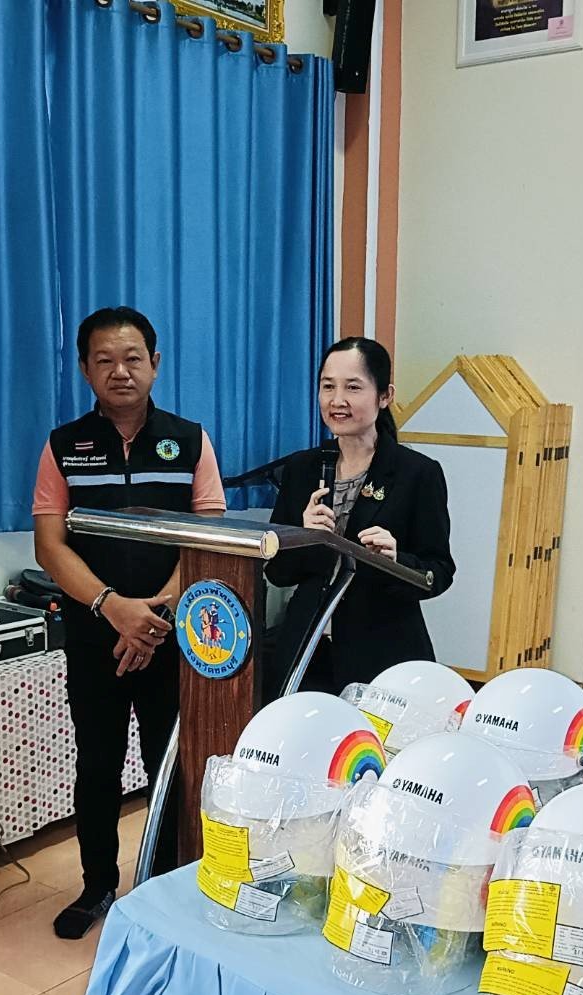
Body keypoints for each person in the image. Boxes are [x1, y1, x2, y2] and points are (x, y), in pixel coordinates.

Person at [33, 305, 226, 939]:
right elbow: (50, 546)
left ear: (155, 363)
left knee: (170, 764)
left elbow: (209, 539)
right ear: (85, 369)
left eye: (133, 358)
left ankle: (165, 884)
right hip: (96, 637)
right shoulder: (64, 444)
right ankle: (97, 887)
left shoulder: (190, 440)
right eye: (105, 360)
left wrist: (156, 616)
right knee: (97, 764)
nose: (120, 371)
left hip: (173, 637)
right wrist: (115, 608)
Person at [266, 337, 455, 695]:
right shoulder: (302, 468)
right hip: (305, 650)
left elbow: (440, 571)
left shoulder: (417, 473)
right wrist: (302, 536)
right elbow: (277, 572)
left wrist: (397, 562)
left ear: (384, 396)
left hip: (383, 654)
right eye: (328, 387)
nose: (337, 400)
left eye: (353, 387)